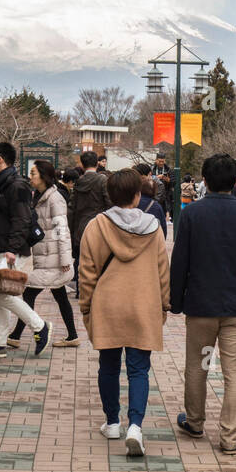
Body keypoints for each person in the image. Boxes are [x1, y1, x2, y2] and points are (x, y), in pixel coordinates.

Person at [171, 153, 236, 455]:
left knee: (199, 366)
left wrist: (175, 302)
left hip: (200, 307)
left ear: (205, 180)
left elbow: (180, 262)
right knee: (234, 373)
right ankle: (229, 438)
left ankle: (195, 421)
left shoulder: (191, 214)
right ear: (235, 182)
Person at [78, 169, 169, 455]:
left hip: (107, 305)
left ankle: (112, 421)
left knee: (108, 365)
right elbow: (163, 270)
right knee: (139, 369)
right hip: (144, 304)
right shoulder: (154, 228)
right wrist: (164, 304)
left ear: (110, 195)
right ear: (137, 195)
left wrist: (86, 307)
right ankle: (136, 426)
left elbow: (87, 272)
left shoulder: (96, 226)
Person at [0, 142, 49, 358]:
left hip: (12, 251)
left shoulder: (17, 185)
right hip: (0, 248)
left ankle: (40, 326)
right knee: (0, 296)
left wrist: (12, 249)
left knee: (4, 295)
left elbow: (22, 220)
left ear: (1, 160)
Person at [8, 160, 78, 349]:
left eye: (33, 174)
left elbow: (61, 230)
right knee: (59, 295)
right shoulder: (39, 196)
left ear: (43, 176)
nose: (30, 177)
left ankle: (17, 335)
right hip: (46, 256)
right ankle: (72, 335)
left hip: (53, 258)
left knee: (29, 293)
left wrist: (65, 259)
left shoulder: (54, 199)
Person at [69, 151, 110, 295]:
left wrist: (72, 230)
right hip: (98, 226)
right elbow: (109, 204)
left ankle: (81, 290)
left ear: (82, 164)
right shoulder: (102, 180)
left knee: (81, 260)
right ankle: (97, 291)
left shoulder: (78, 182)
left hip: (80, 227)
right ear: (97, 163)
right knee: (98, 259)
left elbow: (72, 209)